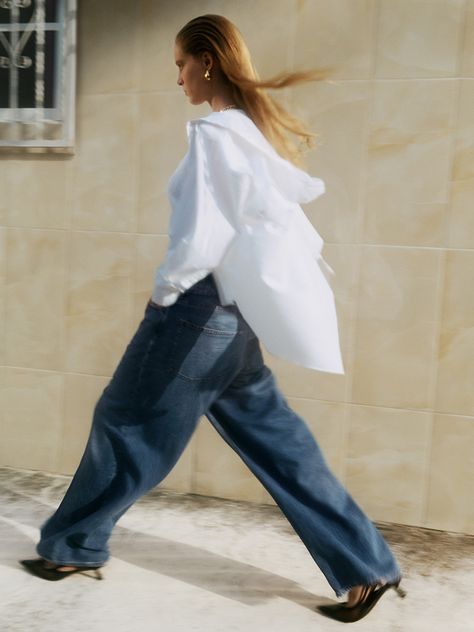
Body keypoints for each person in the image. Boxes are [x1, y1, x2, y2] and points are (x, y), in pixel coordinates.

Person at [20, 14, 406, 624]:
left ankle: (72, 547)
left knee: (124, 423)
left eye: (180, 63)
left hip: (198, 311)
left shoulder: (215, 135)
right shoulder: (251, 132)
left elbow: (202, 236)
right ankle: (367, 565)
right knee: (280, 442)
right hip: (239, 316)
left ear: (206, 59)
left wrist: (164, 295)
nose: (177, 78)